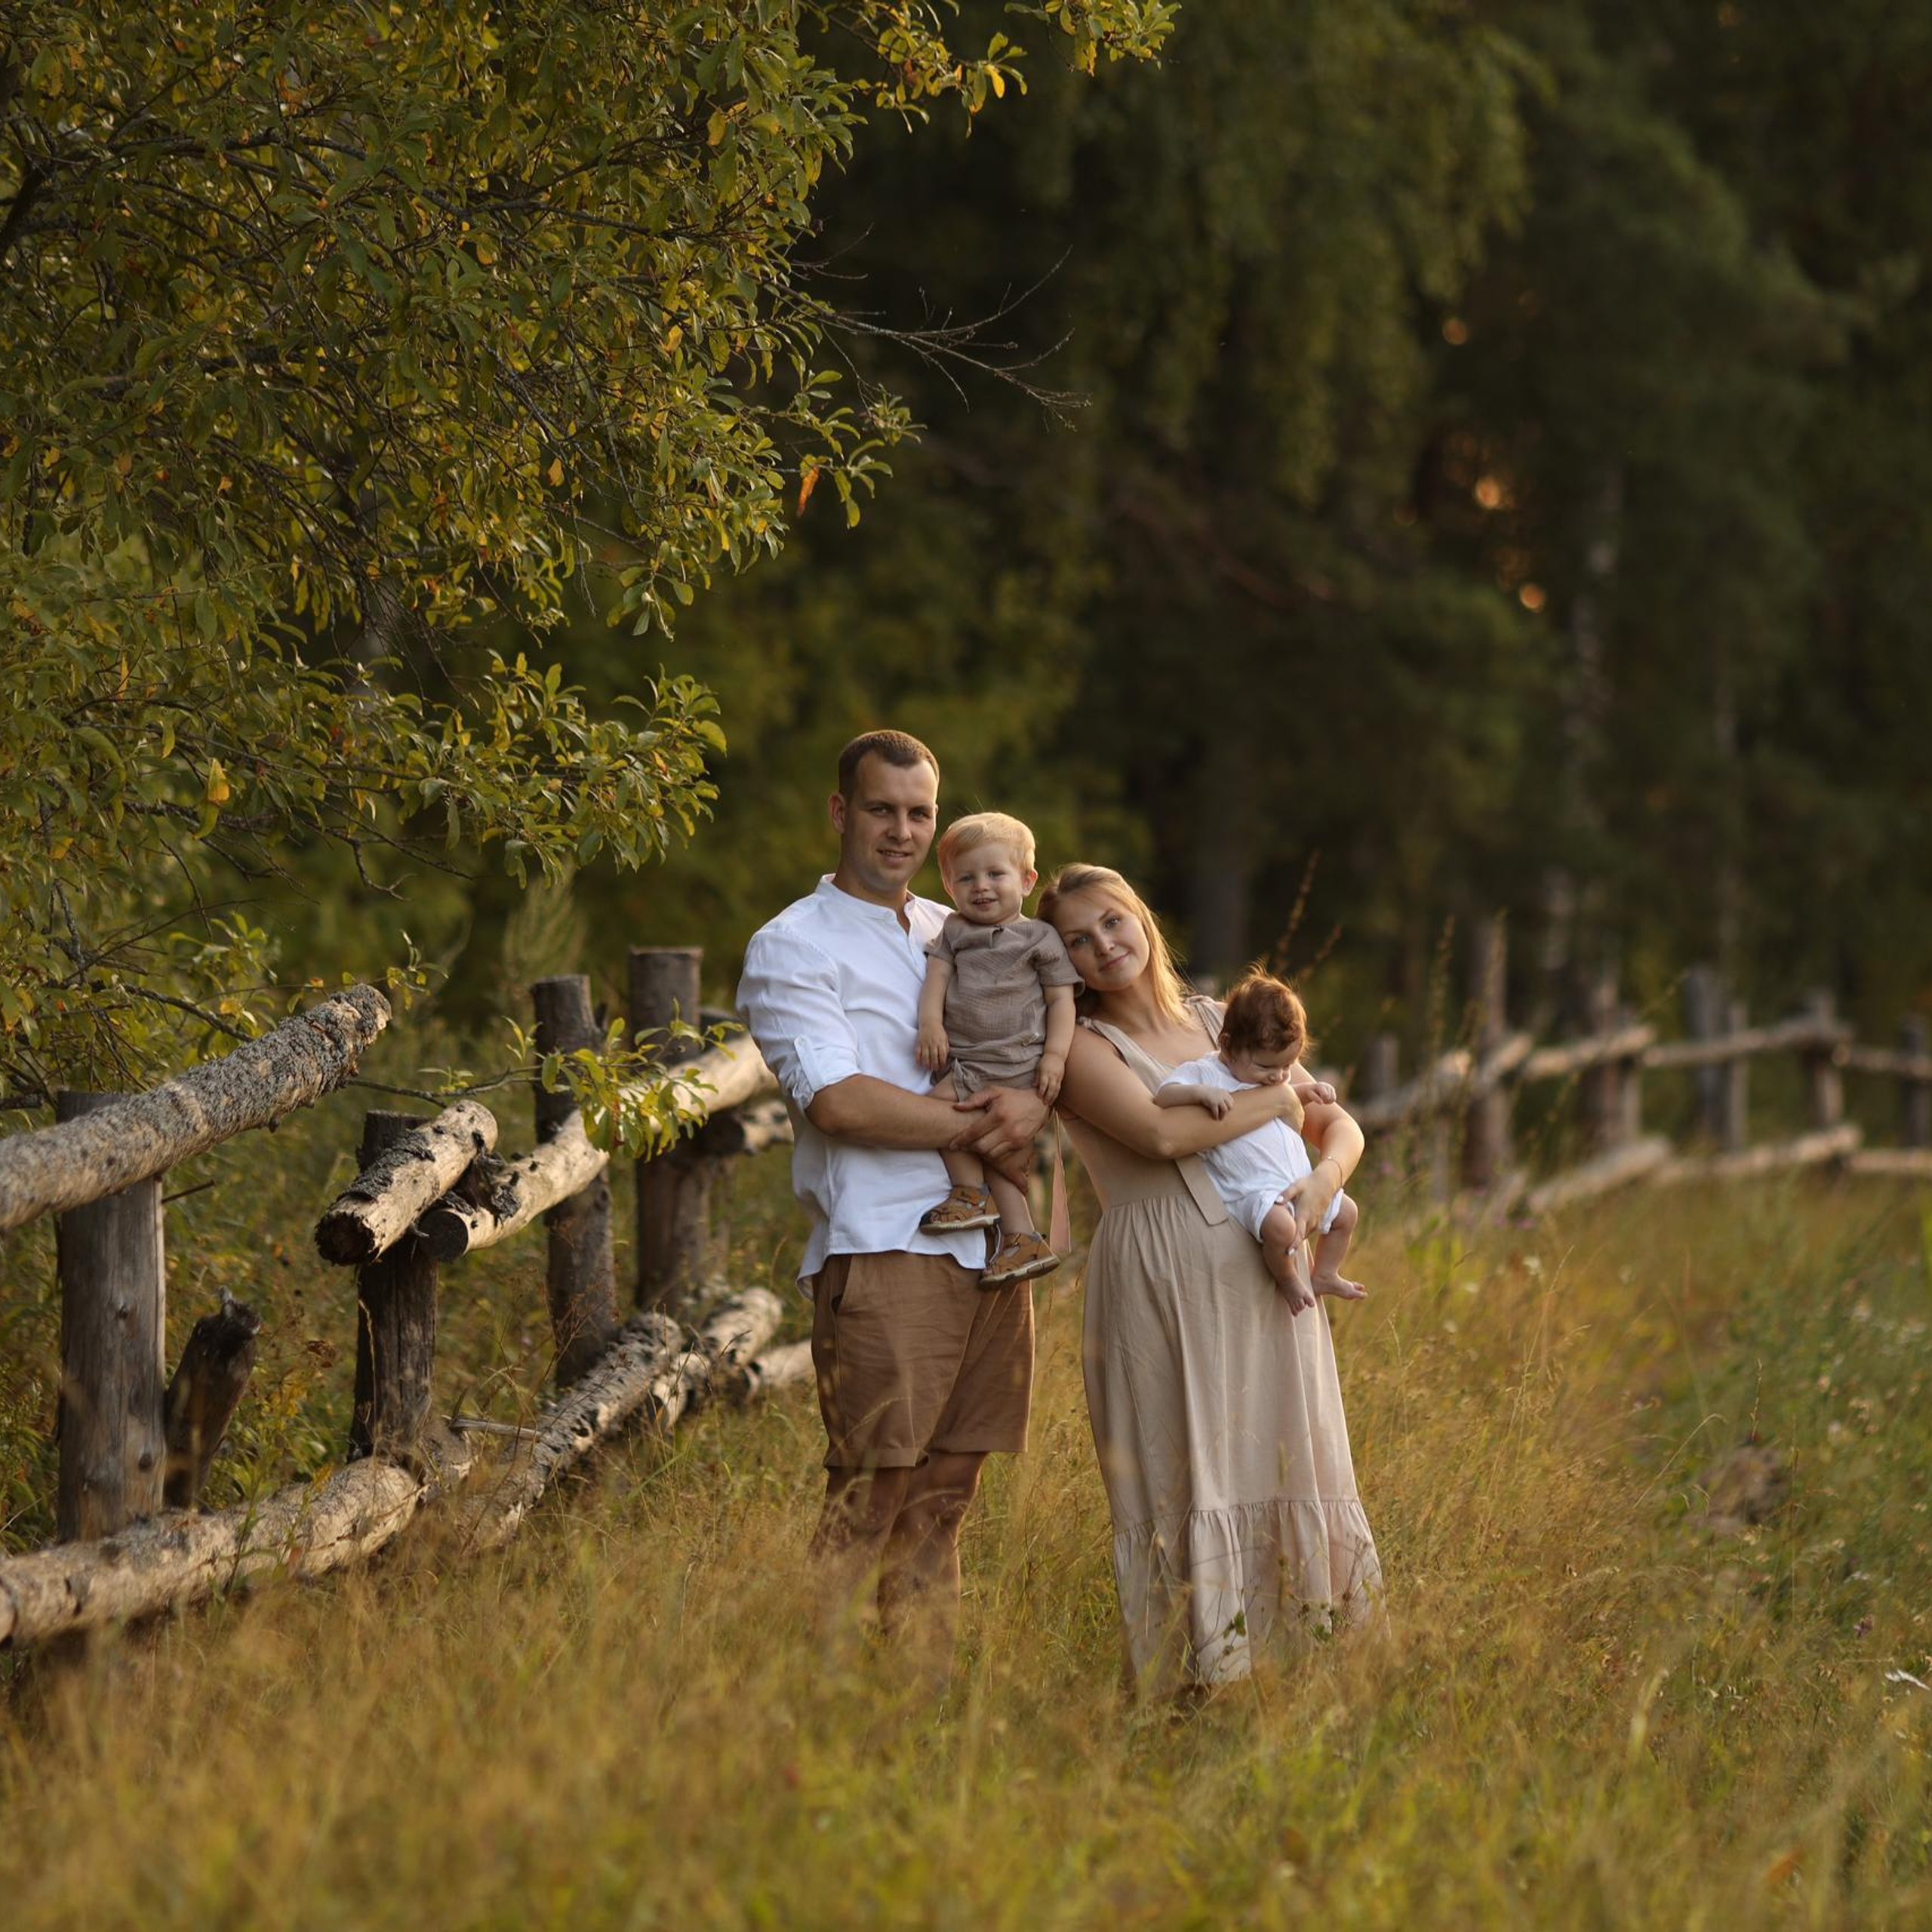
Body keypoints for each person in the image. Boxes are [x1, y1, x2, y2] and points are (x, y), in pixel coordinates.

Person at [736, 731, 1048, 1655]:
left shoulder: (956, 926)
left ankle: (918, 1701)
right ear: (841, 812)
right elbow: (837, 1100)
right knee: (871, 1494)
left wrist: (1031, 1101)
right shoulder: (793, 944)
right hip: (885, 1245)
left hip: (992, 1251)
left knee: (946, 1499)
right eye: (881, 809)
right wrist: (979, 1128)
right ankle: (818, 1691)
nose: (901, 830)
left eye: (919, 812)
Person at [1038, 862, 1382, 1690]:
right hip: (1159, 1273)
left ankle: (1305, 1679)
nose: (1102, 947)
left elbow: (1341, 1125)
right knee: (1183, 1473)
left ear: (1142, 919)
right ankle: (1193, 1694)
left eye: (1112, 922)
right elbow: (1160, 1137)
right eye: (1077, 941)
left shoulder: (1219, 1018)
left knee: (1286, 1458)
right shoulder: (1081, 1046)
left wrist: (1322, 1182)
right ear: (1062, 963)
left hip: (1266, 1268)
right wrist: (1280, 1103)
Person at [915, 810, 1081, 1287]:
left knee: (945, 1119)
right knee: (991, 1148)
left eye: (995, 874)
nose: (981, 887)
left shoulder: (1039, 938)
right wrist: (931, 1024)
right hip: (968, 1059)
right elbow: (937, 978)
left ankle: (969, 1195)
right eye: (966, 878)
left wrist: (1055, 1057)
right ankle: (1022, 1237)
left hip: (1017, 1061)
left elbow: (1060, 1001)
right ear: (949, 886)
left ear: (1026, 880)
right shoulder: (954, 931)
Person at [1154, 969, 1366, 1313]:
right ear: (1227, 1045)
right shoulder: (1207, 1072)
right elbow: (1165, 1095)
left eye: (1289, 1066)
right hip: (1255, 1192)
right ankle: (1287, 1279)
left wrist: (1305, 1091)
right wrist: (1201, 1093)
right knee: (1280, 1229)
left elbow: (1282, 1096)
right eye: (1268, 1068)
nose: (1278, 1077)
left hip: (1298, 1182)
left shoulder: (1271, 1076)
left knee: (1347, 1214)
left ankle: (1325, 1272)